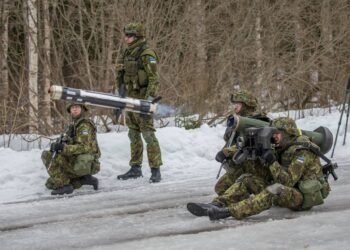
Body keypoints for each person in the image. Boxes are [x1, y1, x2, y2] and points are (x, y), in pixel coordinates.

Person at [206, 117, 331, 220]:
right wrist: (228, 152)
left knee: (274, 189)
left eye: (277, 133)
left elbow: (287, 182)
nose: (274, 136)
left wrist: (271, 161)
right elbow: (250, 144)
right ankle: (218, 204)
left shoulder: (303, 150)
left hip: (300, 197)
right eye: (273, 133)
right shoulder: (282, 144)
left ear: (287, 132)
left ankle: (228, 212)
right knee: (247, 179)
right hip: (286, 190)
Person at [187, 90, 273, 216]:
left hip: (256, 168)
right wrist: (225, 152)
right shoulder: (237, 121)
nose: (234, 107)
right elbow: (233, 142)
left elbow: (248, 143)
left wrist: (227, 152)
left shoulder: (258, 122)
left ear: (246, 105)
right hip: (242, 165)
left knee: (242, 183)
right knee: (220, 187)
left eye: (238, 104)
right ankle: (240, 196)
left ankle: (218, 205)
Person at [115, 22, 162, 183]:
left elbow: (154, 79)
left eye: (130, 35)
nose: (126, 38)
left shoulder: (146, 53)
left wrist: (148, 101)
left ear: (138, 36)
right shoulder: (127, 52)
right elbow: (120, 77)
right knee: (133, 134)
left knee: (148, 135)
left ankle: (156, 170)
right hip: (129, 100)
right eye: (126, 35)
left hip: (142, 101)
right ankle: (135, 168)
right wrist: (119, 98)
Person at [41, 103, 101, 195]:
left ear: (82, 109)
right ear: (70, 110)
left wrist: (63, 148)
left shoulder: (84, 125)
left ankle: (65, 186)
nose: (75, 109)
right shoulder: (74, 124)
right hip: (79, 161)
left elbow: (84, 147)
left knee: (46, 155)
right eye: (73, 108)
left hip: (85, 163)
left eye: (77, 107)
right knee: (50, 183)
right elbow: (70, 142)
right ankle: (84, 179)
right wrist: (58, 145)